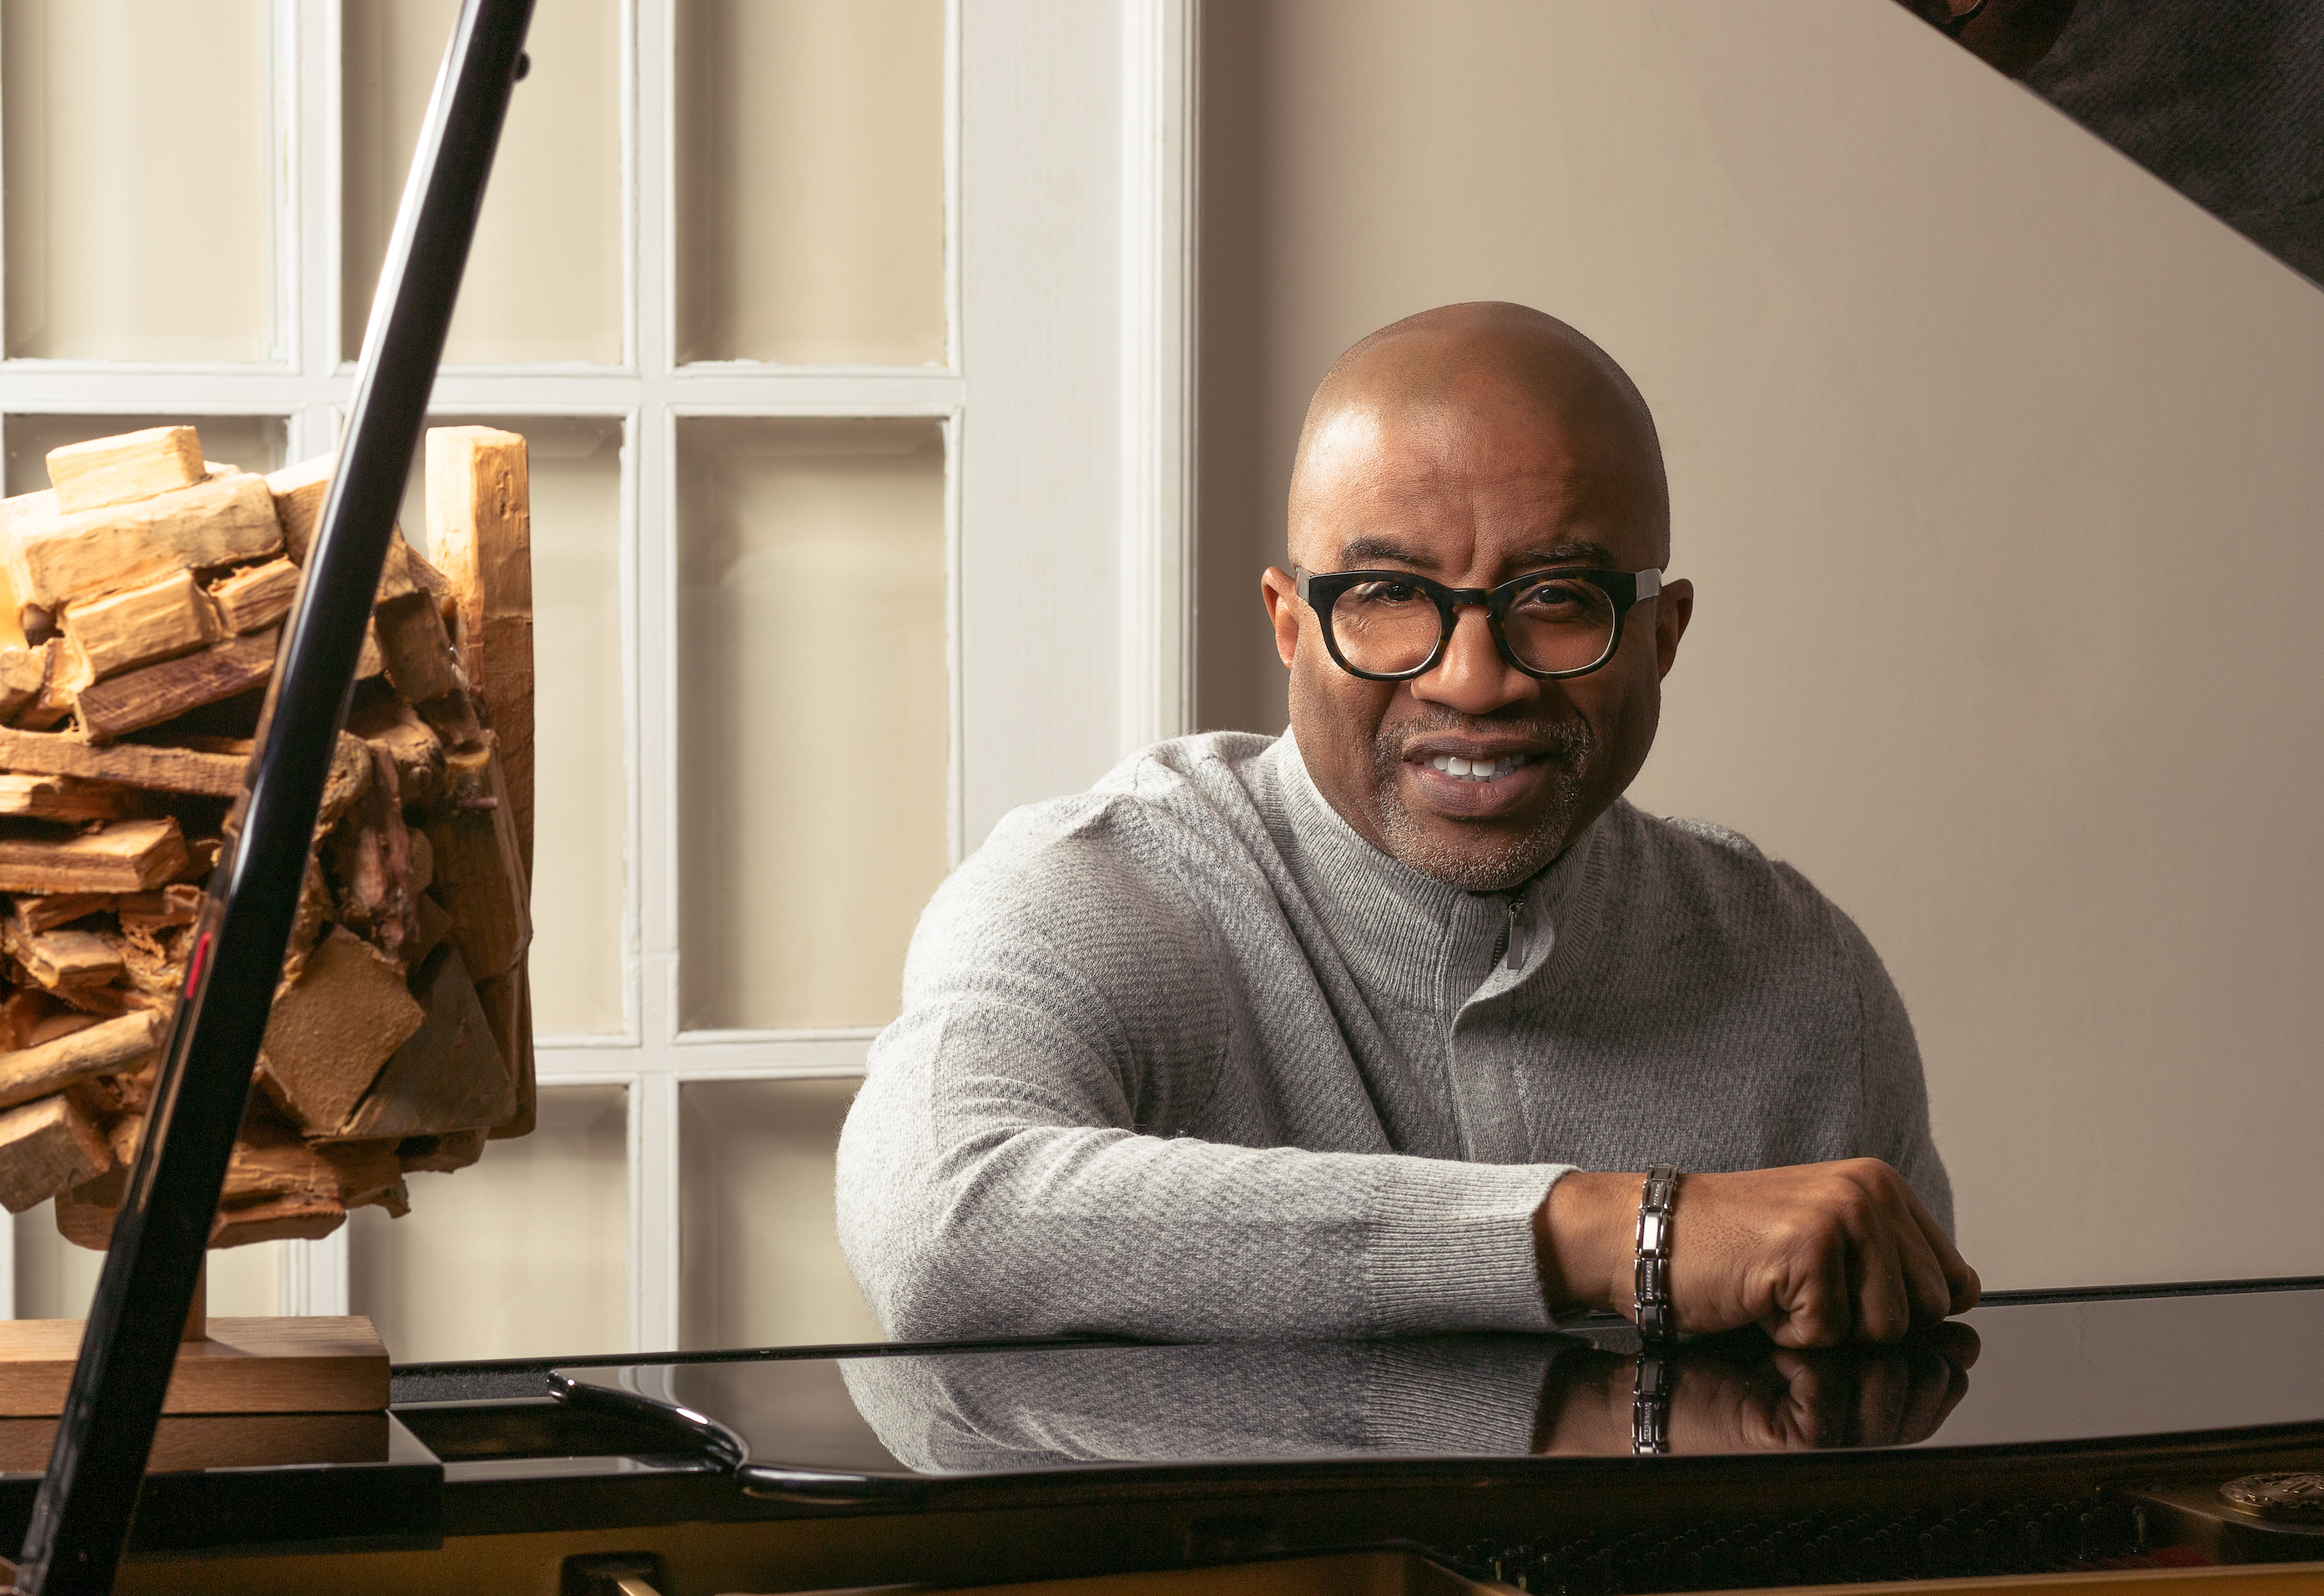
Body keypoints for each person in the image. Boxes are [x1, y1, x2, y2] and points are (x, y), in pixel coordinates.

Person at [838, 302, 1979, 1350]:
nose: (1477, 682)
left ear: (1662, 636)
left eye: (1557, 598)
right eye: (1387, 597)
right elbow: (936, 1219)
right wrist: (1611, 1231)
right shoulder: (1099, 888)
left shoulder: (1798, 970)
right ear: (1291, 625)